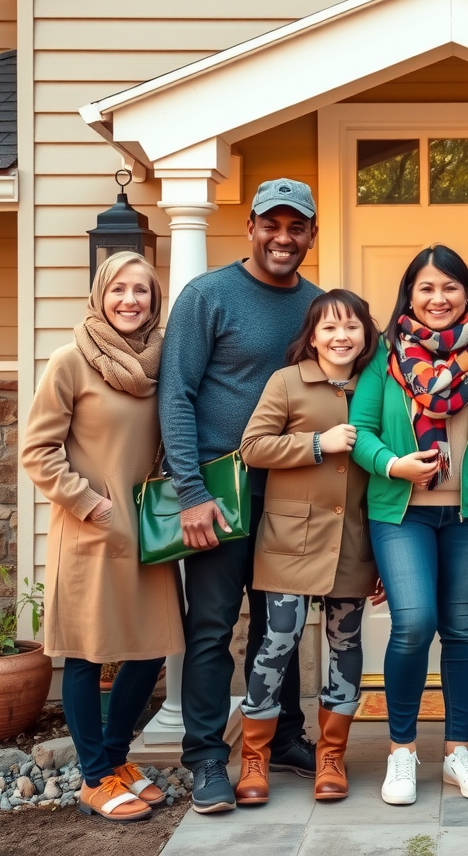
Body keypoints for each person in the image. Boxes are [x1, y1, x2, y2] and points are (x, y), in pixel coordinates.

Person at [158, 178, 323, 814]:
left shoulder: (315, 306)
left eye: (296, 227)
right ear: (250, 227)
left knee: (279, 622)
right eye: (271, 224)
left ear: (311, 233)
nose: (283, 237)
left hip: (289, 487)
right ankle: (205, 757)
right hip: (220, 487)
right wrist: (191, 491)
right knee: (212, 626)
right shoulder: (208, 296)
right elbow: (175, 394)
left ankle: (281, 736)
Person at [351, 245, 468, 806]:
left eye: (449, 286)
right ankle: (401, 752)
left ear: (466, 293)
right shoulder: (384, 355)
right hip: (401, 514)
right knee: (414, 623)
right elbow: (363, 429)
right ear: (411, 294)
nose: (438, 298)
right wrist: (392, 464)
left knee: (462, 627)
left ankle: (456, 752)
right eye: (426, 287)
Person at [21, 251, 184, 822]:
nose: (129, 301)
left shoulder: (164, 363)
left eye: (141, 291)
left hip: (150, 532)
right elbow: (37, 451)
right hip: (92, 531)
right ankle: (93, 777)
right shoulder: (71, 361)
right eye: (119, 289)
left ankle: (115, 758)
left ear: (154, 300)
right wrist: (93, 505)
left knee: (151, 645)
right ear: (100, 294)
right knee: (87, 656)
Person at [235, 289, 380, 804]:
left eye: (352, 327)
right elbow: (253, 448)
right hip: (289, 543)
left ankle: (332, 756)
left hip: (352, 542)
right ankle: (255, 758)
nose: (341, 337)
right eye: (330, 328)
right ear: (312, 337)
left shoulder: (377, 384)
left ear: (366, 334)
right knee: (276, 645)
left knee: (345, 647)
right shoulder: (287, 381)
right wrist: (318, 444)